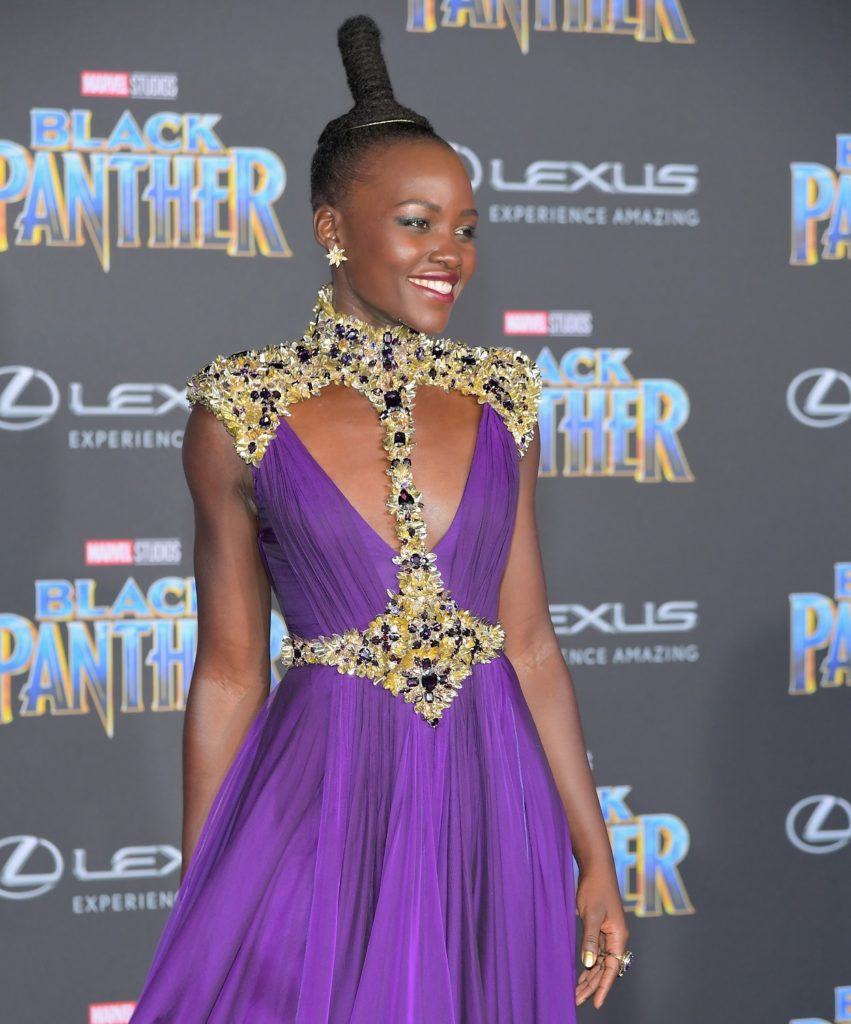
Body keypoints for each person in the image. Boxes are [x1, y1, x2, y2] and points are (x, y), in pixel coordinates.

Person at [130, 14, 630, 1023]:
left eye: (464, 226)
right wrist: (204, 887)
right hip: (325, 793)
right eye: (416, 220)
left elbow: (527, 642)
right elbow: (230, 670)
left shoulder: (503, 399)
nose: (449, 251)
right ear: (330, 229)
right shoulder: (239, 407)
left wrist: (595, 856)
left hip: (492, 795)